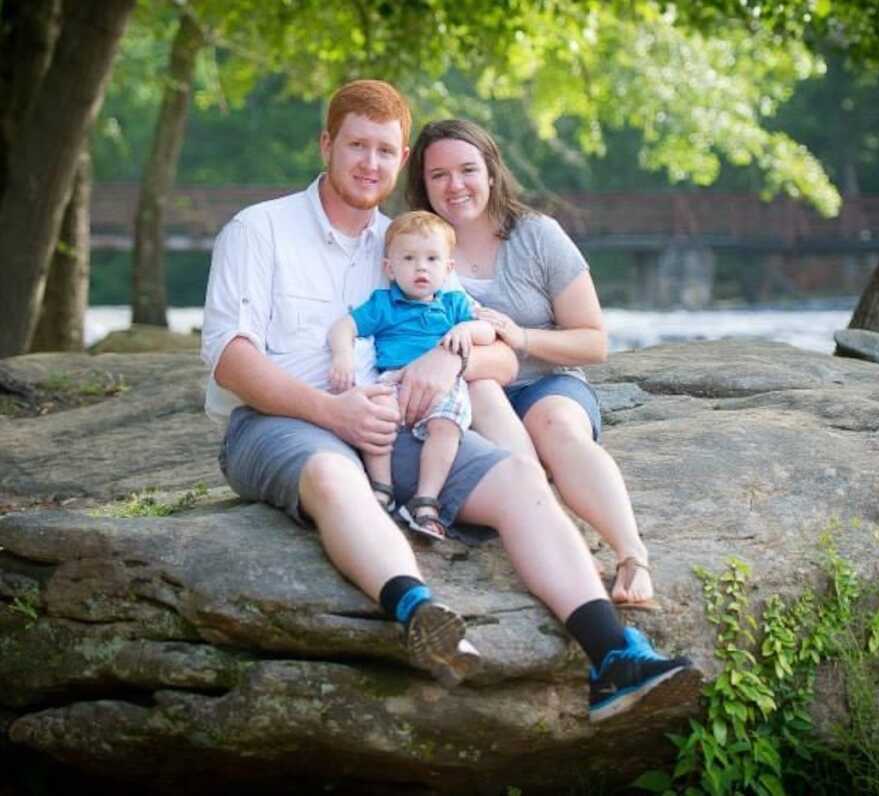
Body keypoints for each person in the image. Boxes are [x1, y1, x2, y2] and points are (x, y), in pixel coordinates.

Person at [201, 79, 697, 721]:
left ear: (400, 158)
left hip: (401, 420)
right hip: (282, 422)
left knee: (519, 477)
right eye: (356, 145)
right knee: (332, 471)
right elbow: (230, 359)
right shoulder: (260, 230)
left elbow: (494, 346)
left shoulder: (411, 242)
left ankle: (613, 656)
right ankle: (417, 608)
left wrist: (449, 360)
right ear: (326, 145)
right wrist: (331, 411)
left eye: (384, 150)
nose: (369, 163)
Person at [406, 118, 659, 611]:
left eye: (467, 170)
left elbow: (594, 342)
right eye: (439, 175)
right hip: (467, 396)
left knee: (557, 427)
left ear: (492, 173)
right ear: (423, 184)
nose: (455, 185)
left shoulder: (537, 235)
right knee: (488, 438)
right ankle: (562, 543)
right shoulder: (413, 244)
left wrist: (521, 338)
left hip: (546, 383)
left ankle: (632, 556)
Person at [328, 210, 495, 540]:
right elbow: (344, 326)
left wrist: (467, 329)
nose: (421, 267)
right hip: (393, 379)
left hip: (443, 386)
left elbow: (488, 331)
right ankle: (381, 488)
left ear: (448, 269)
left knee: (446, 426)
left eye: (432, 259)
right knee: (377, 417)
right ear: (389, 268)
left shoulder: (453, 304)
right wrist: (343, 355)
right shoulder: (384, 304)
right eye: (409, 258)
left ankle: (426, 498)